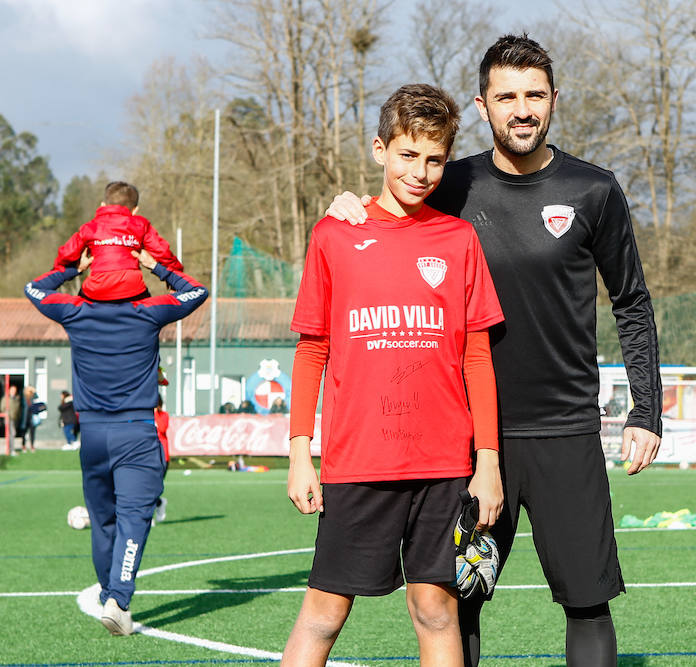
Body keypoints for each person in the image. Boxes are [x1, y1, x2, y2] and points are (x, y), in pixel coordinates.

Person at [327, 35, 663, 667]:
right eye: (506, 95)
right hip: (467, 436)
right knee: (460, 600)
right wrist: (348, 205)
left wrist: (646, 410)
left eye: (535, 94)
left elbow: (633, 303)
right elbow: (385, 216)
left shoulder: (595, 191)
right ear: (483, 106)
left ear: (555, 100)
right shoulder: (450, 183)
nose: (522, 108)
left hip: (565, 430)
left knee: (588, 602)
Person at [282, 83, 504, 667]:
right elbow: (311, 352)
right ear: (381, 149)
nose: (422, 171)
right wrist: (300, 454)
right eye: (409, 155)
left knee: (436, 609)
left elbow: (477, 357)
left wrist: (488, 464)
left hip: (444, 465)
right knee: (323, 615)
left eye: (435, 160)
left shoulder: (458, 238)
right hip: (358, 462)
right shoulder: (334, 234)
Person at [25, 247, 207, 635]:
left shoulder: (75, 312)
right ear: (134, 285)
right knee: (134, 518)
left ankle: (110, 592)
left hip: (91, 434)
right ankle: (119, 600)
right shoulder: (147, 313)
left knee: (103, 521)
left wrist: (72, 268)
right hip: (137, 432)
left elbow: (33, 288)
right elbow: (196, 291)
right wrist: (156, 265)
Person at [54, 181, 183, 301]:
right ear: (135, 210)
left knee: (78, 311)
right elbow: (163, 252)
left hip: (96, 290)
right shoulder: (140, 225)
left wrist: (54, 273)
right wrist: (175, 278)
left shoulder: (90, 227)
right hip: (133, 289)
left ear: (103, 205)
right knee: (149, 315)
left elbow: (67, 253)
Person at [153, 394, 170, 525]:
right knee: (143, 487)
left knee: (153, 488)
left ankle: (150, 513)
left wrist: (155, 413)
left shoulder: (163, 415)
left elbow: (162, 428)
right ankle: (159, 503)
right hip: (146, 455)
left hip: (162, 456)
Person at [7, 384, 23, 455]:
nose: (13, 392)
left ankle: (11, 449)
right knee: (11, 433)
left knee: (13, 433)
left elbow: (18, 408)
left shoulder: (17, 398)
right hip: (8, 418)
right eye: (12, 390)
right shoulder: (6, 398)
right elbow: (2, 407)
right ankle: (10, 449)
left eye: (15, 390)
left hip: (14, 418)